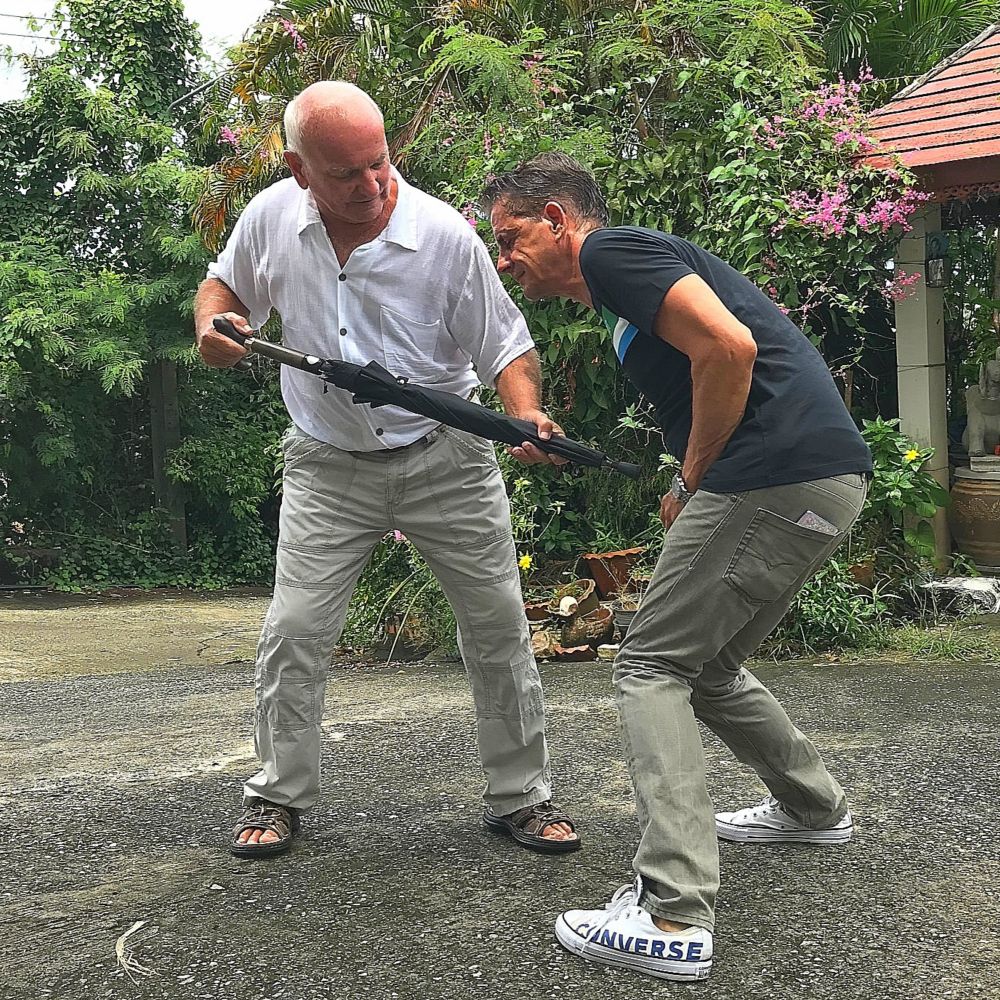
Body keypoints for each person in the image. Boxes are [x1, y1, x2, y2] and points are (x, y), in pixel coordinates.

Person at [482, 152, 873, 982]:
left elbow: (728, 350)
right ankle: (813, 808)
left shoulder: (610, 252)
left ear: (558, 218)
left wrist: (697, 477)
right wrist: (680, 476)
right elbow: (717, 376)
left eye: (510, 237)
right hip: (824, 481)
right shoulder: (626, 283)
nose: (504, 259)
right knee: (711, 667)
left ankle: (671, 910)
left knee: (652, 662)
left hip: (772, 475)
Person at [193, 83, 580, 859]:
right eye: (347, 174)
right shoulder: (272, 217)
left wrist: (526, 414)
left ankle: (520, 798)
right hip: (326, 463)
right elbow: (224, 287)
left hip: (447, 457)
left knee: (498, 627)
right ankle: (276, 795)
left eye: (381, 162)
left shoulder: (441, 234)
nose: (373, 185)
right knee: (295, 630)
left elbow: (505, 347)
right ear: (301, 170)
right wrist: (213, 326)